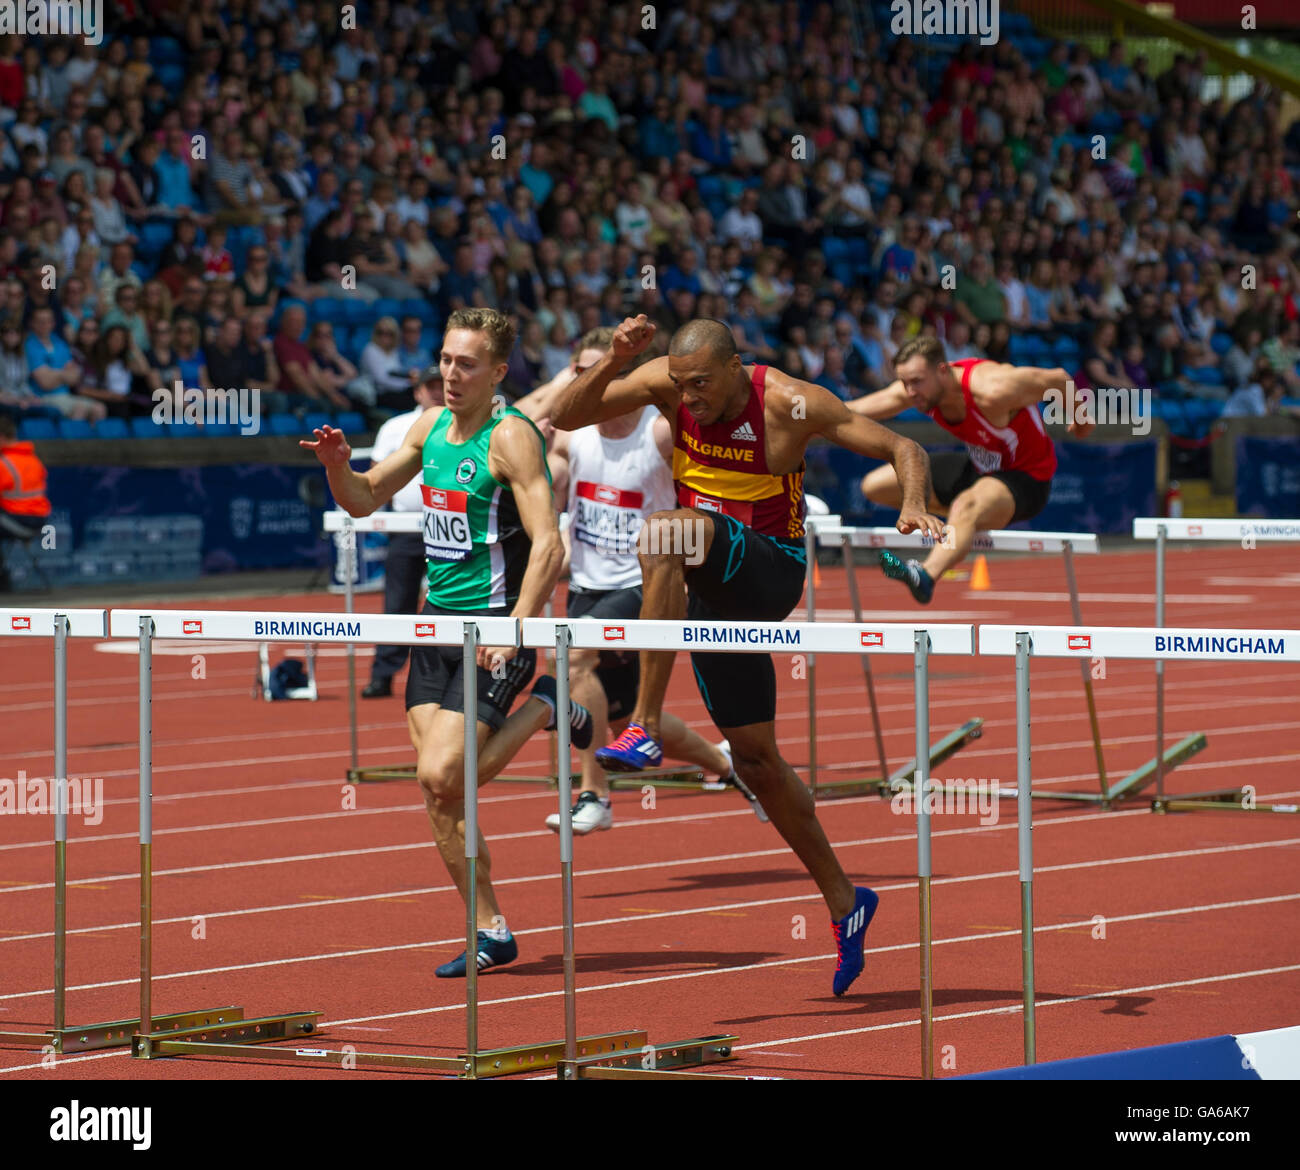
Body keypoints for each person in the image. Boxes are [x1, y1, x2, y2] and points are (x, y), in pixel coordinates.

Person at [548, 314, 943, 996]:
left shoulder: (790, 400)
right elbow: (566, 413)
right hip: (708, 588)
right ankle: (848, 903)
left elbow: (906, 448)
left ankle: (642, 724)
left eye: (701, 384)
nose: (689, 398)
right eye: (679, 385)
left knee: (665, 533)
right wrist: (613, 361)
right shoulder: (669, 386)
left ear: (735, 367)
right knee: (757, 760)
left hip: (769, 570)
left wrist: (910, 506)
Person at [304, 308, 590, 978]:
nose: (451, 374)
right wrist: (336, 466)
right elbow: (364, 499)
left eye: (466, 364)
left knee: (441, 772)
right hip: (435, 627)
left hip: (496, 628)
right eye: (445, 360)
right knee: (440, 794)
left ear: (497, 373)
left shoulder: (511, 438)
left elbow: (548, 545)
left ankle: (546, 701)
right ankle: (489, 927)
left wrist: (516, 628)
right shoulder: (427, 427)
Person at [527, 328, 761, 834]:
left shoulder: (657, 433)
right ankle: (726, 765)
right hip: (588, 584)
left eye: (607, 372)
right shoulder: (570, 434)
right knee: (618, 721)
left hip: (644, 585)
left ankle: (593, 794)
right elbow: (526, 448)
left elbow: (713, 470)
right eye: (583, 373)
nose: (597, 382)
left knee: (572, 656)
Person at [849, 335, 1093, 603]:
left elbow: (1057, 378)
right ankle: (961, 522)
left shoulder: (993, 388)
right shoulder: (919, 391)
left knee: (965, 505)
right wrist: (805, 418)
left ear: (943, 370)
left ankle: (925, 575)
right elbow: (849, 412)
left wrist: (1079, 416)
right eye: (904, 383)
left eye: (916, 382)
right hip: (978, 471)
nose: (909, 392)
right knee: (875, 485)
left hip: (1026, 478)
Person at [362, 367, 444, 698]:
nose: (437, 391)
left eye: (441, 385)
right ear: (417, 391)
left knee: (454, 603)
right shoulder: (395, 427)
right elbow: (376, 475)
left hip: (451, 529)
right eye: (430, 386)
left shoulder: (466, 425)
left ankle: (458, 673)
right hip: (407, 527)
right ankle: (383, 674)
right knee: (398, 604)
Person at [0, 414, 50, 591]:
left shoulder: (4, 463)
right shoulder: (33, 460)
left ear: (2, 438)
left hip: (19, 521)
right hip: (40, 521)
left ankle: (3, 580)